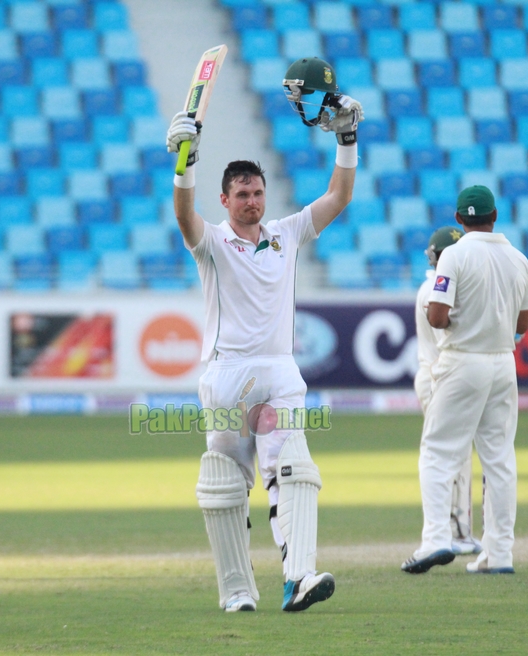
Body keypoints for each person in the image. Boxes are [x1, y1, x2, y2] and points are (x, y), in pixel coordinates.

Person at [165, 57, 362, 611]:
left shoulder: (286, 234)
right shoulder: (211, 242)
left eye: (257, 192)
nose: (252, 201)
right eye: (241, 195)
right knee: (225, 487)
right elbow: (185, 216)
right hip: (227, 375)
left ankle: (299, 577)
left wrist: (347, 139)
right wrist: (185, 165)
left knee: (291, 465)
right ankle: (235, 593)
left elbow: (339, 197)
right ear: (225, 200)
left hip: (278, 371)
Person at [401, 185, 528, 575]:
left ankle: (436, 540)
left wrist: (451, 318)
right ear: (495, 216)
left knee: (439, 453)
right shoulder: (518, 258)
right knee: (499, 460)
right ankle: (500, 554)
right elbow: (523, 323)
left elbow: (439, 316)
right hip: (502, 362)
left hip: (462, 360)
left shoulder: (455, 255)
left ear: (459, 220)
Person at [413, 226, 483, 558]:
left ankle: (458, 530)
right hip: (439, 377)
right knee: (450, 455)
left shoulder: (439, 285)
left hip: (443, 377)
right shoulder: (434, 290)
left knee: (455, 455)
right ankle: (455, 532)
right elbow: (450, 337)